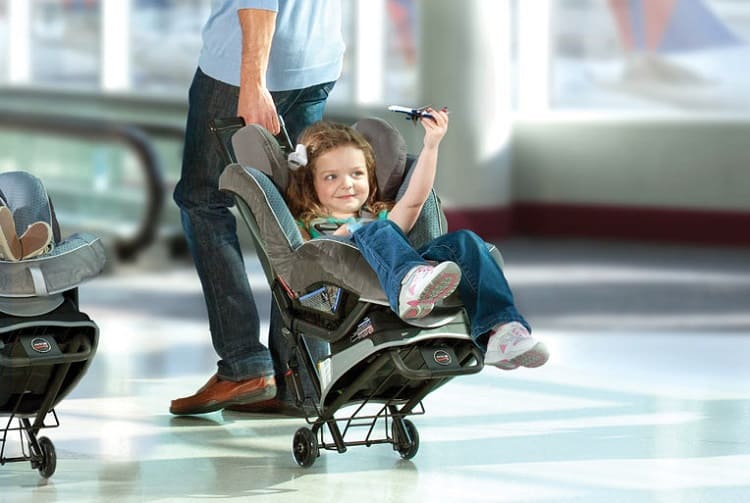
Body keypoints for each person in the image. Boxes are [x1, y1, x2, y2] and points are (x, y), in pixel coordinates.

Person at [170, 0, 345, 416]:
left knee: (204, 201)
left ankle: (243, 364)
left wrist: (253, 81)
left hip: (243, 75)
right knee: (297, 213)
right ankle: (298, 376)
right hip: (315, 63)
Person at [285, 110, 550, 370]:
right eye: (332, 176)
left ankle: (503, 332)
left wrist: (431, 145)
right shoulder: (308, 225)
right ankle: (410, 281)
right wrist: (345, 234)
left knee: (464, 242)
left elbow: (414, 200)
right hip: (348, 296)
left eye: (357, 173)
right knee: (368, 230)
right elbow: (302, 265)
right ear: (310, 183)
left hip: (410, 280)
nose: (348, 184)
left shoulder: (380, 218)